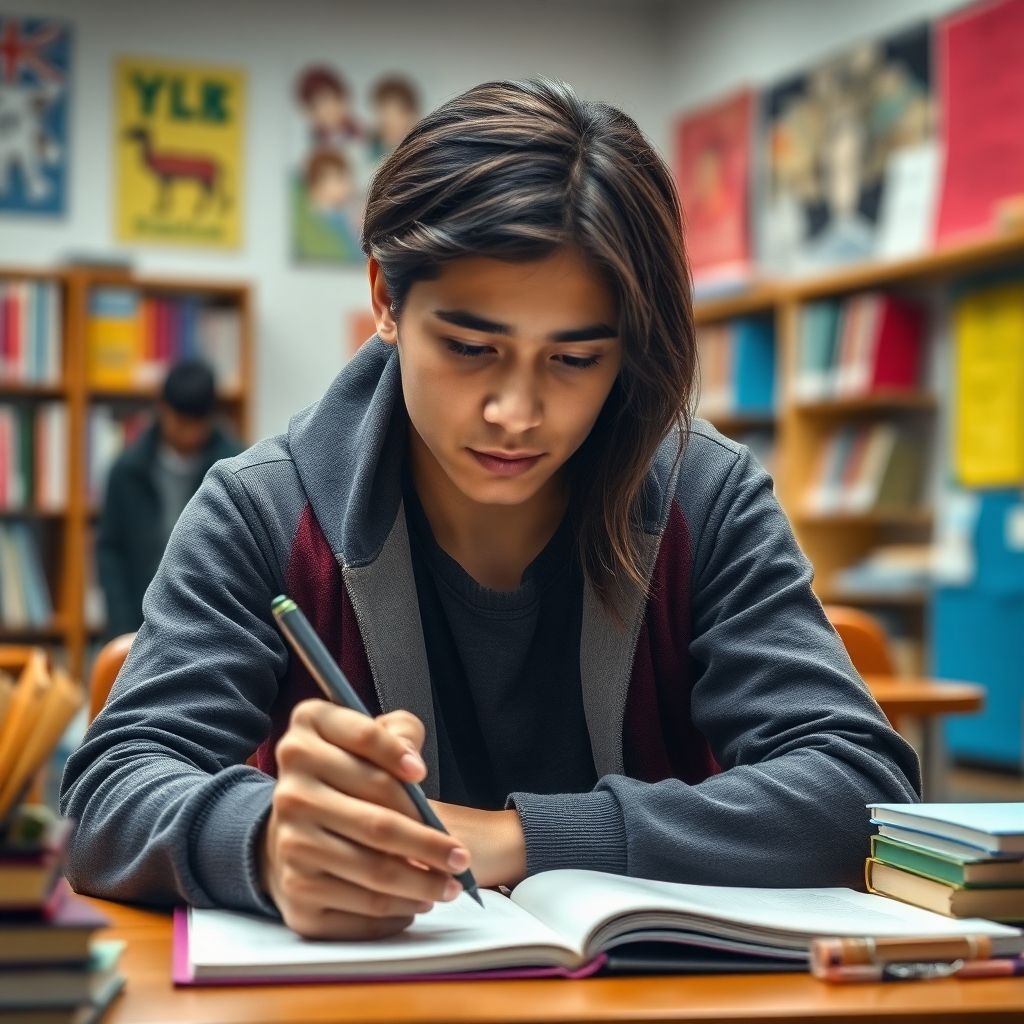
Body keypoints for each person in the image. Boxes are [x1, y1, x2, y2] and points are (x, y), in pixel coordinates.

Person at [62, 78, 919, 943]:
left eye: (576, 359)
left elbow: (860, 787)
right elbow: (108, 792)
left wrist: (522, 839)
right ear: (386, 300)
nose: (516, 411)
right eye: (471, 348)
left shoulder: (708, 496)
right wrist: (264, 840)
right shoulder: (263, 510)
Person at [95, 358, 242, 640]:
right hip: (137, 624)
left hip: (210, 626)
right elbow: (110, 553)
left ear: (211, 418)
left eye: (195, 423)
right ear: (162, 409)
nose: (187, 433)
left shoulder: (236, 468)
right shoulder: (127, 470)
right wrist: (123, 629)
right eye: (179, 421)